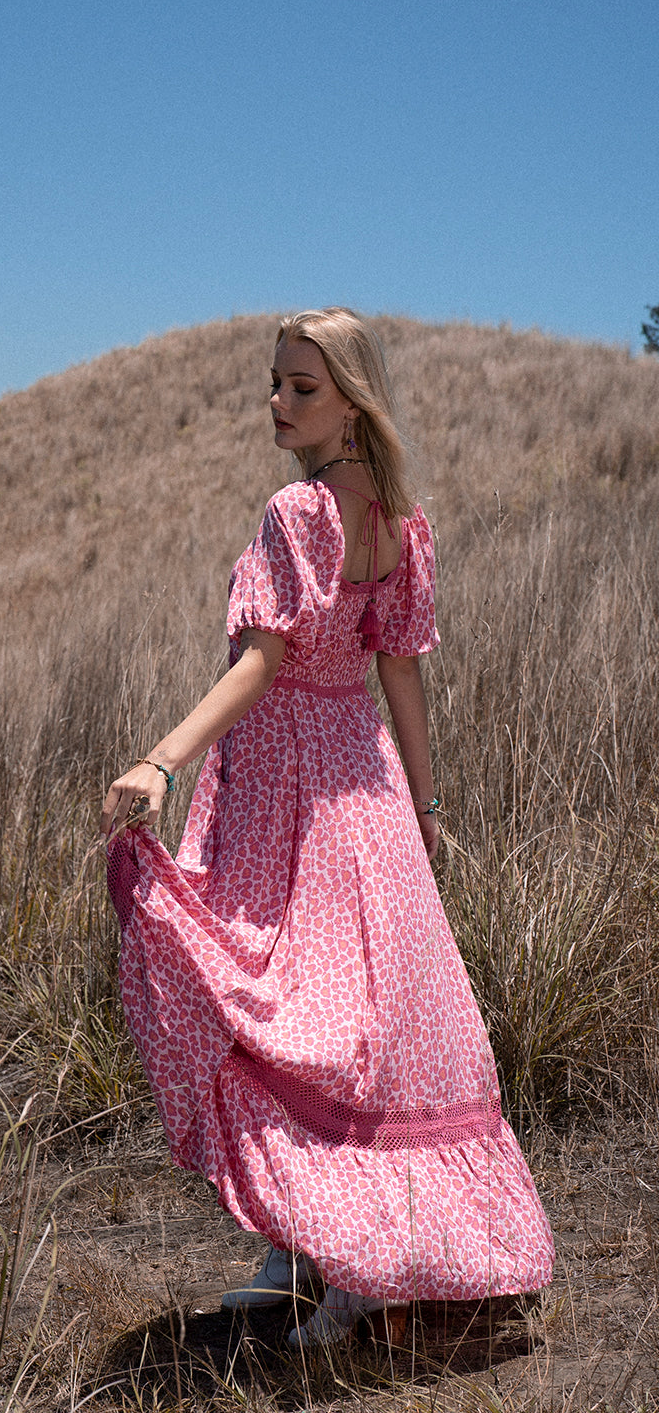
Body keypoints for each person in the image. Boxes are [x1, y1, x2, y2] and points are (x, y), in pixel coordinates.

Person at [101, 308, 554, 1347]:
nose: (278, 402)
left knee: (278, 1004)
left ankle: (350, 1267)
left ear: (352, 396)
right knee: (352, 1021)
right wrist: (424, 807)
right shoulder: (401, 517)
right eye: (274, 383)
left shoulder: (299, 511)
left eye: (302, 387)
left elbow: (263, 662)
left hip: (292, 785)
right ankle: (308, 1250)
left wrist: (161, 760)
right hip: (364, 783)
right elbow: (400, 677)